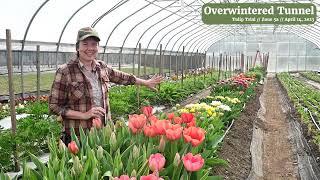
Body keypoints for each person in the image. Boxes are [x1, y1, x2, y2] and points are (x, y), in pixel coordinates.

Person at [49, 27, 162, 145]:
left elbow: (123, 77)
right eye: (85, 44)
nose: (90, 48)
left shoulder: (101, 67)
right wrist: (84, 115)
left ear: (98, 47)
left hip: (103, 133)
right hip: (78, 136)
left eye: (94, 44)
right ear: (77, 47)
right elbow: (54, 106)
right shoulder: (65, 71)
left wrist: (146, 83)